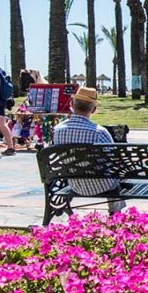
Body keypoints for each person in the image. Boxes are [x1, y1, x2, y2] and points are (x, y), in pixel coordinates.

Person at [51, 85, 124, 213]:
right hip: (102, 186)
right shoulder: (100, 132)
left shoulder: (58, 130)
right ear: (94, 109)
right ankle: (115, 213)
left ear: (72, 104)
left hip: (74, 184)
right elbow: (114, 160)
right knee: (115, 175)